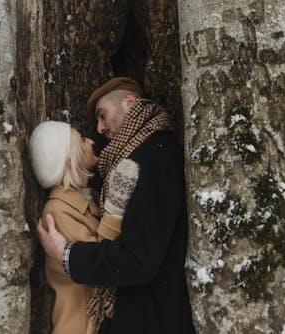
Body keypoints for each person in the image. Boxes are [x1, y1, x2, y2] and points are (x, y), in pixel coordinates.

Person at [37, 77, 195, 334]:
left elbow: (137, 259)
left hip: (153, 319)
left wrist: (67, 254)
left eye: (103, 115)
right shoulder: (135, 159)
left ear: (129, 102)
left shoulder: (153, 156)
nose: (98, 130)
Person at [29, 121, 140, 334]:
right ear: (69, 160)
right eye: (80, 140)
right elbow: (100, 263)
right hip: (80, 326)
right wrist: (115, 209)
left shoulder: (87, 199)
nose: (90, 141)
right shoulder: (58, 211)